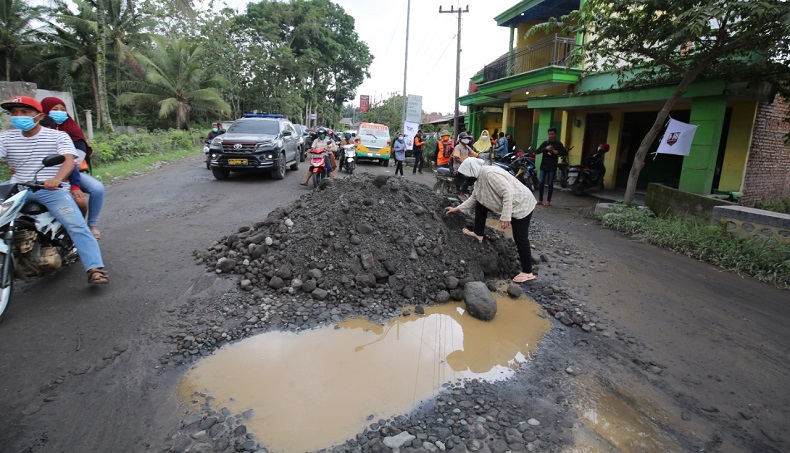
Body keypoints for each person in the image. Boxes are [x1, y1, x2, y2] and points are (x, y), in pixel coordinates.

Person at [0, 96, 109, 284]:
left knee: (76, 225)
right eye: (14, 112)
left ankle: (94, 268)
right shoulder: (6, 137)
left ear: (40, 116)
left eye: (24, 112)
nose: (18, 116)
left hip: (49, 189)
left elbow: (69, 160)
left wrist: (57, 179)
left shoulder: (57, 136)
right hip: (17, 187)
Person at [444, 157, 537, 283]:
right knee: (481, 203)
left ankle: (527, 272)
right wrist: (457, 209)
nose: (466, 178)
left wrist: (505, 216)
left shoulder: (490, 174)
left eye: (466, 175)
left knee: (520, 238)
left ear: (472, 170)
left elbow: (507, 192)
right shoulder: (478, 179)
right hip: (511, 203)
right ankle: (478, 233)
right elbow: (474, 198)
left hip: (521, 204)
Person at [41, 96, 105, 240]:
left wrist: (74, 185)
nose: (59, 112)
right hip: (40, 174)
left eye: (62, 110)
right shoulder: (36, 130)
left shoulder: (72, 129)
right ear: (44, 112)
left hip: (70, 172)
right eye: (55, 109)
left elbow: (75, 160)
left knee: (97, 189)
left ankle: (91, 225)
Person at [535, 127, 567, 206]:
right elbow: (537, 151)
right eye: (549, 134)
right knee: (541, 182)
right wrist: (546, 148)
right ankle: (540, 200)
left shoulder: (558, 144)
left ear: (555, 134)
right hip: (543, 166)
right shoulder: (545, 143)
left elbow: (565, 152)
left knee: (550, 184)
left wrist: (557, 152)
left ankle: (548, 201)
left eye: (552, 134)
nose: (551, 136)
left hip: (552, 167)